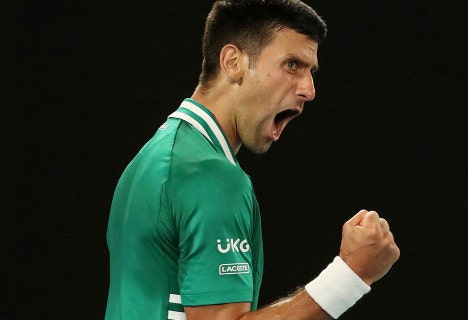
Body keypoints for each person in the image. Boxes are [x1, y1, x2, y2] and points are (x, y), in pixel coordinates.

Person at [105, 0, 400, 319]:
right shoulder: (210, 176)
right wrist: (351, 275)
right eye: (292, 65)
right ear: (233, 62)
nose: (309, 90)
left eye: (310, 71)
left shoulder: (155, 155)